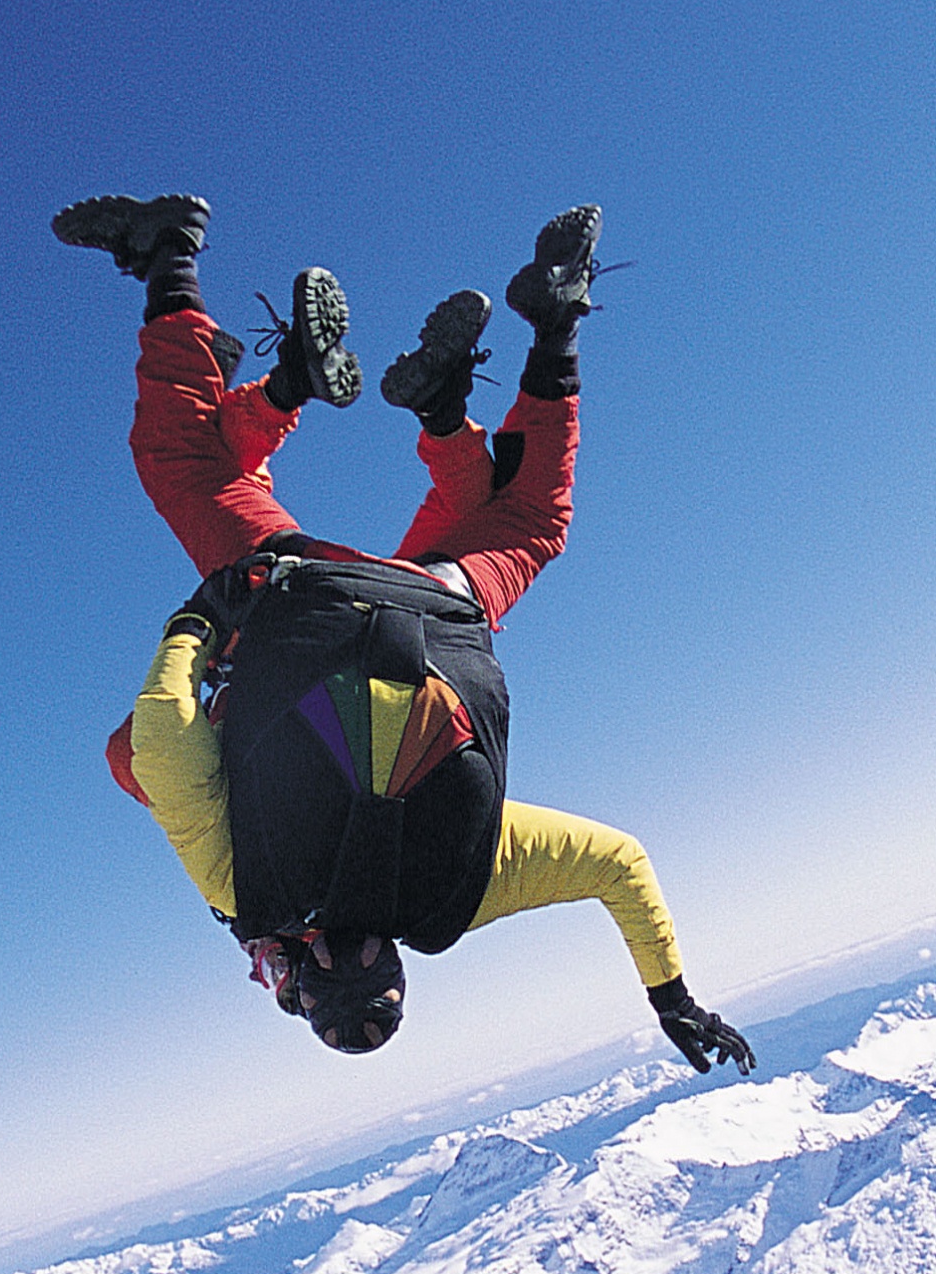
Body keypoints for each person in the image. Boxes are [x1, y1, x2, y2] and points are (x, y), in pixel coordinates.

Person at [52, 189, 753, 1076]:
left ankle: (541, 335)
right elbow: (155, 744)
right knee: (183, 461)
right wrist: (202, 620)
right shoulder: (254, 893)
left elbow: (621, 864)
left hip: (437, 602)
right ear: (304, 981)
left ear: (397, 973)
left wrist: (672, 998)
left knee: (527, 519)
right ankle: (171, 264)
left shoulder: (462, 890)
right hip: (298, 594)